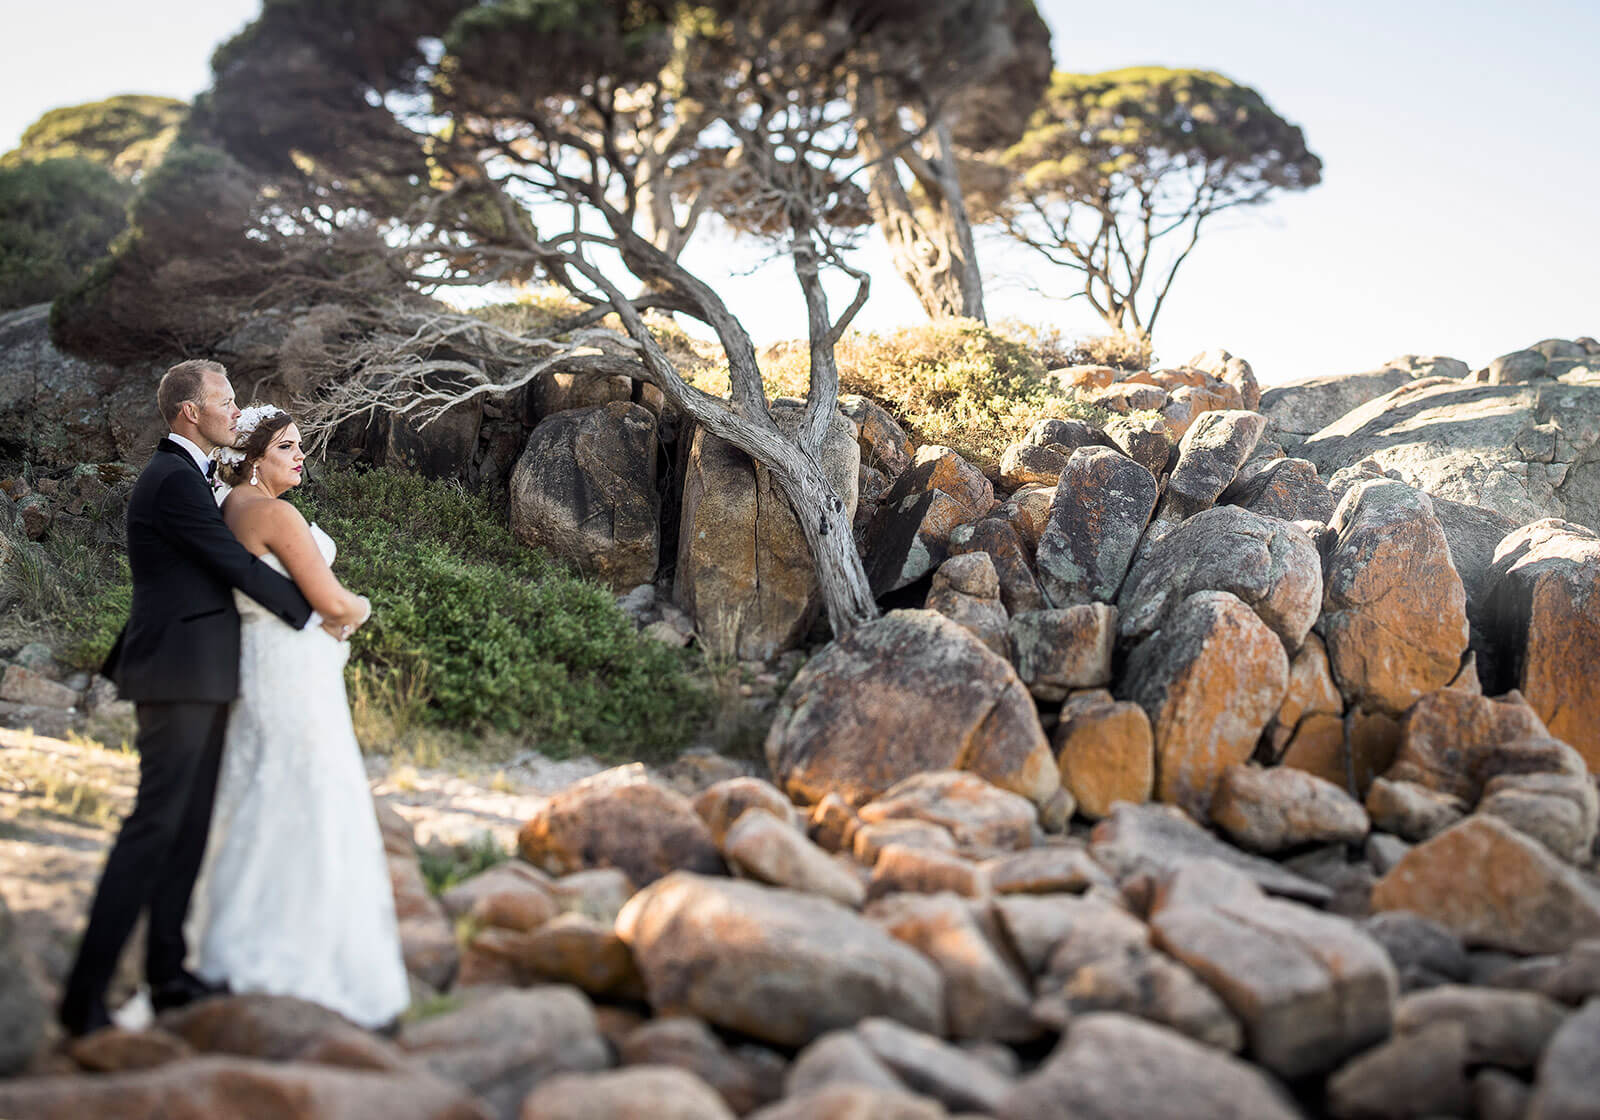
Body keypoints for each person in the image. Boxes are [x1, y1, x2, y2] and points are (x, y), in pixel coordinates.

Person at [59, 361, 322, 1037]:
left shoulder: (197, 475)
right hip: (176, 673)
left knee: (189, 831)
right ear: (188, 413)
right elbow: (228, 562)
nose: (235, 413)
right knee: (152, 831)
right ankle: (82, 997)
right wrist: (313, 612)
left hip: (203, 672)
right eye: (224, 403)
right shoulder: (171, 480)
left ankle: (169, 975)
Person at [187, 403, 409, 1029]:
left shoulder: (230, 506)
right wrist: (358, 611)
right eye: (286, 446)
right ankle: (307, 957)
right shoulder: (274, 514)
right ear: (255, 456)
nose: (299, 454)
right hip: (293, 670)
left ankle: (232, 940)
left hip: (261, 663)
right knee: (313, 794)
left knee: (262, 791)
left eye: (300, 444)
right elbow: (329, 597)